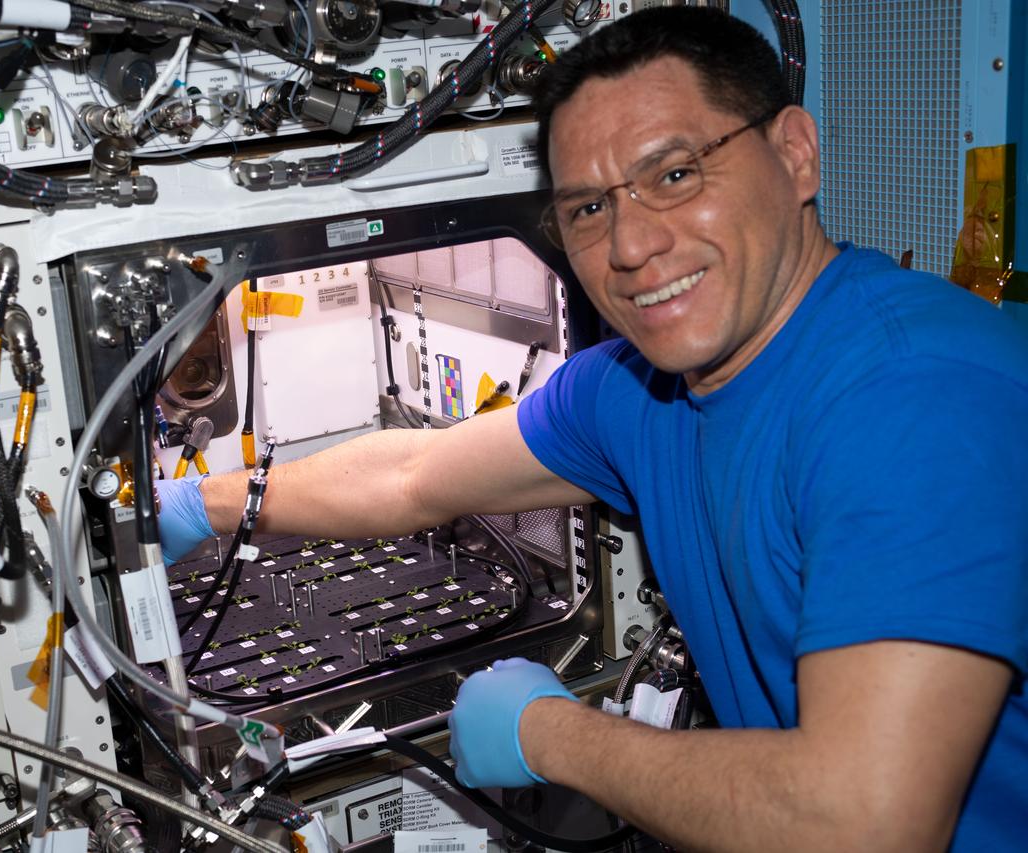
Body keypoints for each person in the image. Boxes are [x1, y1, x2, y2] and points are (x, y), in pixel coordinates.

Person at [157, 7, 1028, 850]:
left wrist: (551, 736)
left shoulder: (912, 394)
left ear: (796, 153)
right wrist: (206, 500)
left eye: (675, 174)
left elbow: (862, 825)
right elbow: (415, 473)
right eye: (587, 209)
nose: (633, 245)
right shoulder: (638, 391)